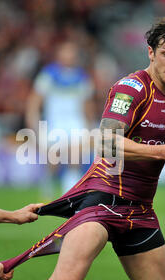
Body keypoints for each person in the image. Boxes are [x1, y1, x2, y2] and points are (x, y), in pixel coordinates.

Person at [0, 17, 165, 280]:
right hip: (103, 199)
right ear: (151, 53)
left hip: (141, 209)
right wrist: (164, 151)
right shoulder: (130, 89)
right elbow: (107, 141)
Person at [25, 40, 95, 200]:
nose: (68, 56)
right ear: (59, 55)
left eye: (71, 53)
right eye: (65, 52)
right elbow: (35, 101)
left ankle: (71, 193)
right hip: (54, 122)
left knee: (75, 157)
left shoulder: (82, 77)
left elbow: (87, 104)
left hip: (75, 122)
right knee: (53, 159)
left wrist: (90, 126)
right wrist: (33, 123)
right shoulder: (49, 75)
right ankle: (47, 187)